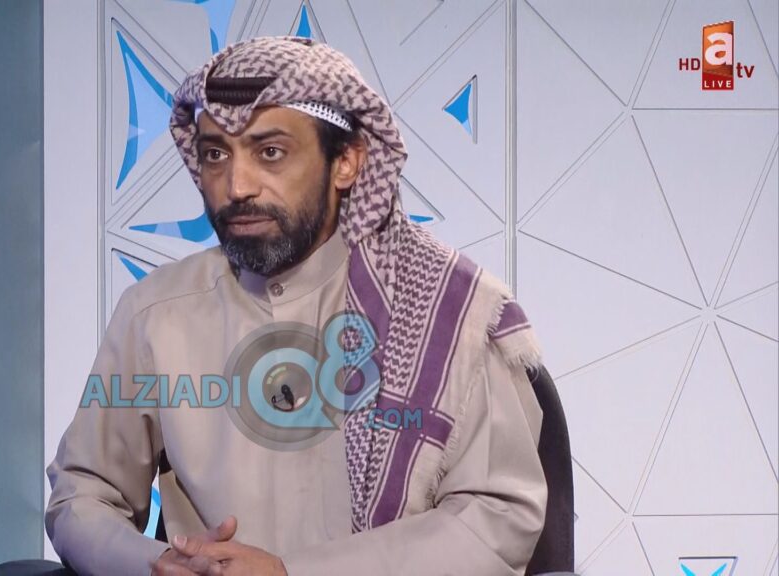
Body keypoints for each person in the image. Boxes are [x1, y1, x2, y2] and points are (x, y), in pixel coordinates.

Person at [46, 36, 547, 576]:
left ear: (346, 162)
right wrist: (155, 564)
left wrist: (294, 573)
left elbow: (497, 518)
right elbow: (82, 494)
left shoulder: (447, 309)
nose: (237, 186)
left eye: (270, 152)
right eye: (216, 154)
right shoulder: (156, 311)